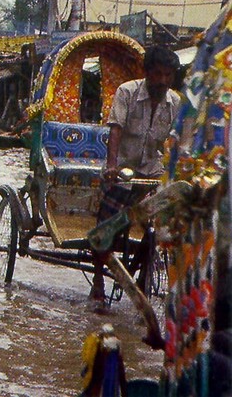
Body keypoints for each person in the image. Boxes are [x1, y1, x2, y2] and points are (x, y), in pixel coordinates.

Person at [88, 45, 181, 311]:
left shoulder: (175, 103)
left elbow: (176, 141)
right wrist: (111, 166)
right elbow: (115, 129)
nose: (163, 81)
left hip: (153, 171)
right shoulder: (127, 92)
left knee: (162, 224)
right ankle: (97, 283)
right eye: (158, 74)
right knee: (106, 226)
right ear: (147, 72)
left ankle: (143, 278)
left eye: (168, 76)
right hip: (125, 172)